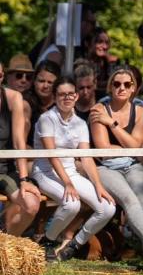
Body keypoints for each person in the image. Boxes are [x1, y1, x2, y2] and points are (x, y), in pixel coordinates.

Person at [90, 64, 143, 273]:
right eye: (116, 84)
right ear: (110, 87)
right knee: (129, 198)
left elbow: (137, 146)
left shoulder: (140, 111)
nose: (121, 88)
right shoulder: (98, 109)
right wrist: (130, 145)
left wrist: (111, 124)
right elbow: (103, 149)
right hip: (105, 167)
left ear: (133, 88)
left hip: (133, 164)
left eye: (127, 84)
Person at [32, 73, 116, 260]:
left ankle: (74, 245)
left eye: (71, 94)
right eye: (62, 94)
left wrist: (98, 185)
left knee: (108, 207)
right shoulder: (47, 118)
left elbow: (86, 158)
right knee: (71, 204)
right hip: (45, 171)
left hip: (70, 171)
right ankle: (47, 241)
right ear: (55, 97)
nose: (67, 97)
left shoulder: (80, 123)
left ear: (76, 96)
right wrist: (68, 183)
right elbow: (52, 155)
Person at [0, 59, 41, 236]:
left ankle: (7, 242)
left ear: (2, 76)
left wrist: (24, 179)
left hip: (5, 170)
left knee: (31, 204)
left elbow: (19, 142)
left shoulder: (13, 97)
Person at [4, 54, 35, 141]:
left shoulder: (34, 102)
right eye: (19, 75)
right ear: (8, 77)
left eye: (28, 77)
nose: (24, 80)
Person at [85, 28, 117, 97]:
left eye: (107, 43)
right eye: (99, 42)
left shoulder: (109, 62)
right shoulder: (82, 63)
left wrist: (110, 64)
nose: (104, 46)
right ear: (87, 43)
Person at [29, 60, 60, 129]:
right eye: (41, 81)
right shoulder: (27, 104)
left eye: (50, 82)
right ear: (34, 81)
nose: (45, 86)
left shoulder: (62, 106)